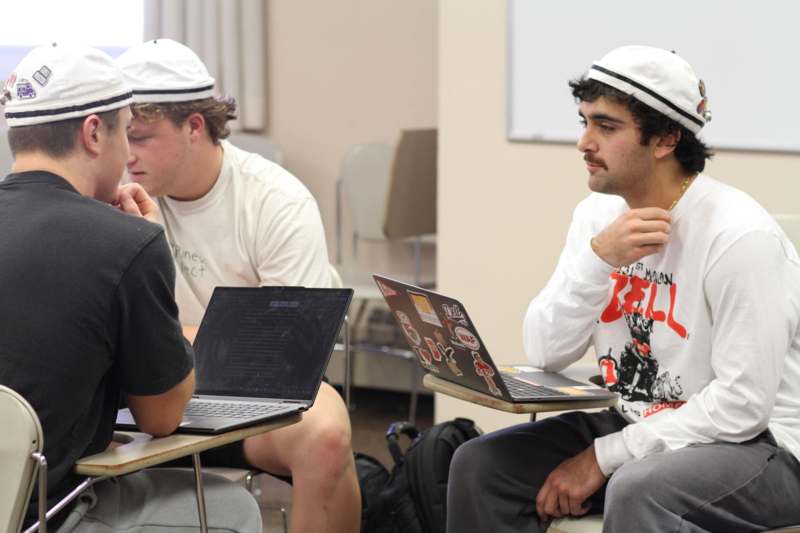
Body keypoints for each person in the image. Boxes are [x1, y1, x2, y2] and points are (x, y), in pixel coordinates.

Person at [447, 45, 800, 532]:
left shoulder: (739, 236)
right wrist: (598, 261)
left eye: (606, 127)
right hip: (641, 419)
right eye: (584, 122)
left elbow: (742, 406)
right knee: (479, 466)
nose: (584, 143)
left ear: (666, 139)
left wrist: (603, 458)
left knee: (639, 489)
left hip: (764, 447)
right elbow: (545, 350)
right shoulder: (597, 217)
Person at [0, 43, 262, 532]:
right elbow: (161, 417)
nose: (128, 156)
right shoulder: (127, 243)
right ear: (95, 132)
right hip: (44, 514)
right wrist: (146, 247)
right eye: (126, 133)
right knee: (234, 509)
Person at [116, 39, 360, 533]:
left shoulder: (276, 201)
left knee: (327, 437)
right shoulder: (114, 196)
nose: (126, 153)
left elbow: (286, 358)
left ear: (194, 127)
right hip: (141, 396)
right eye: (122, 136)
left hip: (248, 402)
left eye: (140, 137)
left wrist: (167, 340)